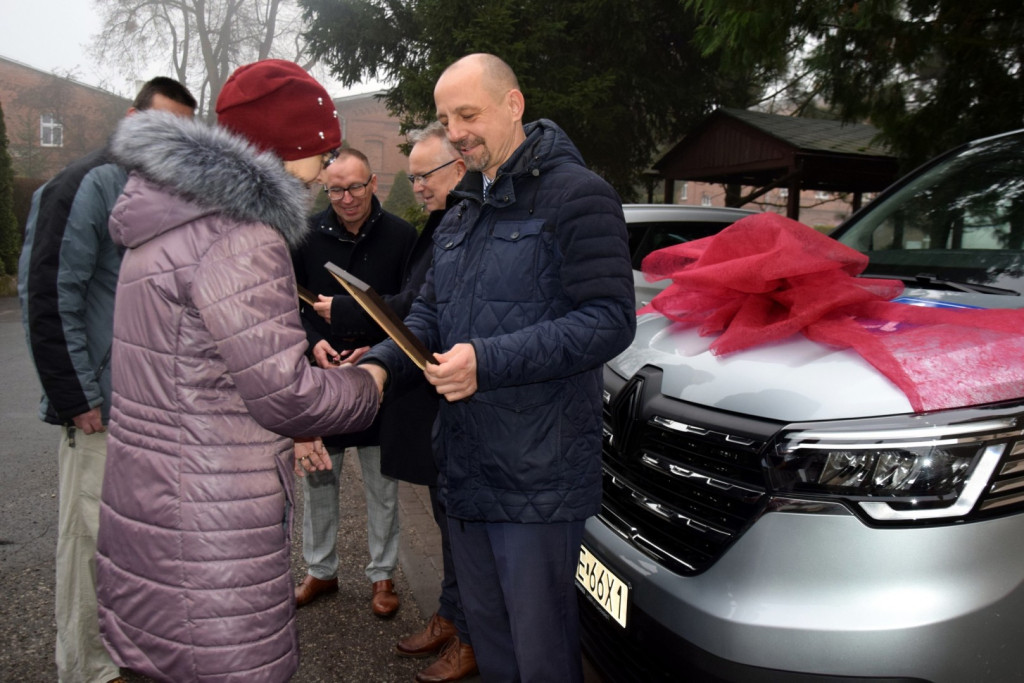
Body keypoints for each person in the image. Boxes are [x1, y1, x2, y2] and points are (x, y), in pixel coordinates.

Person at [92, 59, 382, 682]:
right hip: (210, 524)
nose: (327, 170)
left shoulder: (168, 216)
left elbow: (198, 365)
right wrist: (372, 382)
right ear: (289, 147)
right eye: (323, 152)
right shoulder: (242, 235)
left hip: (153, 504)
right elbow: (286, 396)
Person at [360, 53, 636, 683]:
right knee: (494, 648)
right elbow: (427, 315)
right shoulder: (463, 211)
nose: (455, 130)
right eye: (444, 118)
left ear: (513, 105)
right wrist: (376, 368)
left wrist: (486, 361)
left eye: (467, 113)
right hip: (465, 468)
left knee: (541, 656)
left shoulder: (578, 195)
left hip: (536, 478)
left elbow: (610, 319)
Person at [17, 76, 196, 683]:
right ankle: (89, 668)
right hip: (100, 409)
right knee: (90, 542)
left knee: (139, 551)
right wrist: (76, 398)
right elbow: (46, 292)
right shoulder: (85, 182)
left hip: (155, 408)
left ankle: (128, 659)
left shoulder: (166, 193)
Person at [290, 147, 416, 617]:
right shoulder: (303, 235)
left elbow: (411, 305)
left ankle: (382, 575)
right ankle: (320, 570)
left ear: (374, 183)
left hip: (378, 379)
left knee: (383, 483)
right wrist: (310, 342)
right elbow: (288, 302)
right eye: (336, 189)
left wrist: (378, 349)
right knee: (319, 479)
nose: (346, 198)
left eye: (355, 187)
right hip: (322, 377)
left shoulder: (402, 236)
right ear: (326, 188)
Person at [389, 122, 477, 683]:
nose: (417, 185)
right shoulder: (445, 222)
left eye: (426, 174)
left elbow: (420, 306)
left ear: (459, 169)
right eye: (413, 175)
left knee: (464, 528)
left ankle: (470, 636)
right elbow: (420, 306)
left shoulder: (468, 226)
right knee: (446, 519)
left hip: (465, 398)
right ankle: (451, 615)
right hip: (440, 401)